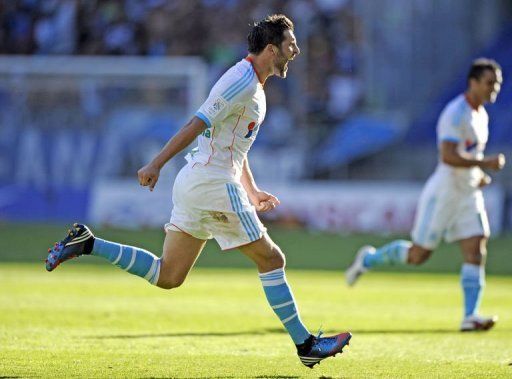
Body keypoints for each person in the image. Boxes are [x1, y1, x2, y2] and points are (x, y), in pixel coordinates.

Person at [46, 14, 351, 368]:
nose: (296, 50)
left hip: (199, 180)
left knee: (169, 276)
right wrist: (156, 163)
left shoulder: (253, 84)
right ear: (272, 49)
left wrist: (251, 191)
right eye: (290, 43)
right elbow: (198, 122)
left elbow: (235, 147)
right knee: (272, 260)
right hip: (212, 183)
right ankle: (306, 344)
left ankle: (88, 242)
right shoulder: (240, 81)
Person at [345, 58, 505, 332]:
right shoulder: (455, 113)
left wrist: (478, 175)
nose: (495, 88)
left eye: (498, 83)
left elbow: (469, 154)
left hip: (467, 192)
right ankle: (369, 259)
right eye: (490, 83)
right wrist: (483, 164)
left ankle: (470, 316)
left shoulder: (482, 115)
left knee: (477, 246)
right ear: (474, 82)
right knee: (419, 255)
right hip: (444, 191)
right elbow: (448, 156)